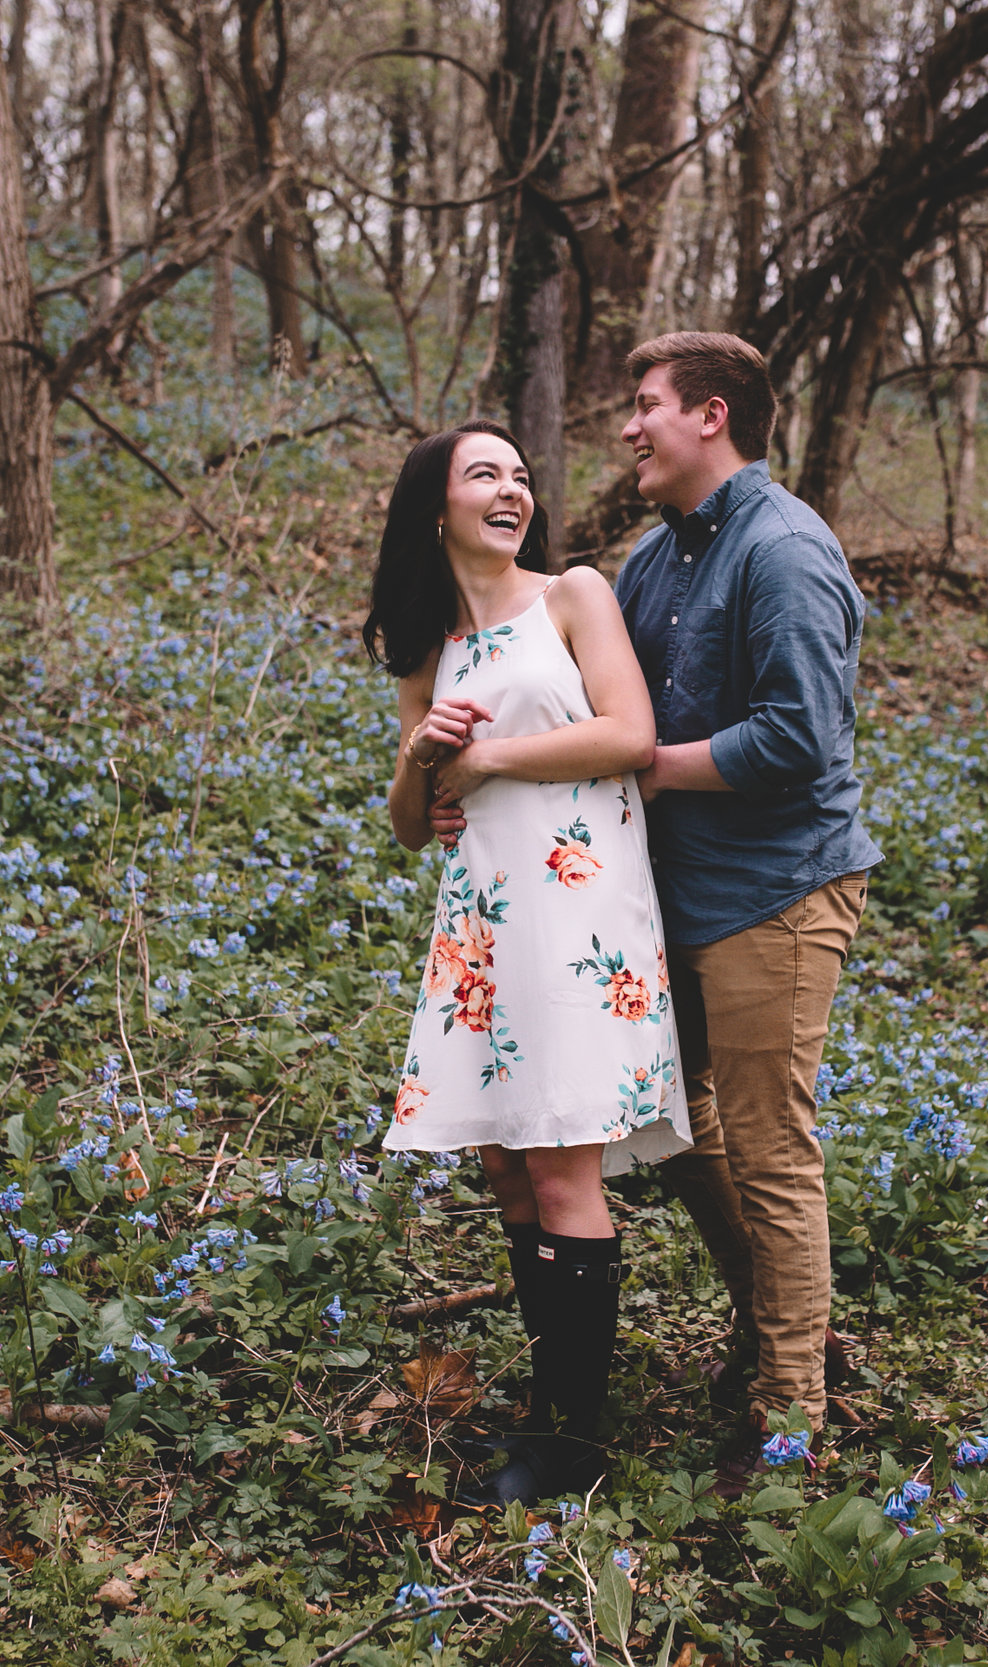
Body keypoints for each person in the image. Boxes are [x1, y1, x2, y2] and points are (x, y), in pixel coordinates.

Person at [366, 418, 693, 1505]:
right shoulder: (424, 646)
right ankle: (547, 1402)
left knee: (561, 1161)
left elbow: (631, 734)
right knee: (507, 1162)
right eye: (483, 475)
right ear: (436, 508)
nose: (512, 490)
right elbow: (415, 824)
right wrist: (423, 759)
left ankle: (568, 1437)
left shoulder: (573, 597)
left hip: (577, 911)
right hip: (483, 920)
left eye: (518, 475)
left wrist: (488, 754)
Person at [611, 331, 881, 1461]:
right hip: (674, 889)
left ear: (710, 415)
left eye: (646, 405)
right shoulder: (651, 557)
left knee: (771, 1148)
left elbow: (798, 738)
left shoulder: (784, 550)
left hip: (778, 887)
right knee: (660, 1115)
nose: (629, 427)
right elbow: (596, 693)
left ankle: (788, 1418)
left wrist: (645, 762)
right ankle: (783, 1313)